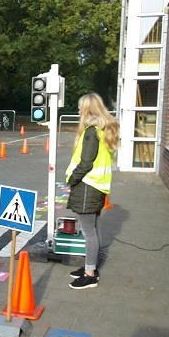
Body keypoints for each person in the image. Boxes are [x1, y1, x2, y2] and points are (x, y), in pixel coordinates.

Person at [65, 93, 119, 290]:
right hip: (98, 186)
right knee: (95, 228)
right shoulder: (103, 129)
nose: (78, 110)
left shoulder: (91, 132)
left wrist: (72, 179)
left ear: (87, 109)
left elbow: (86, 162)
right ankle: (91, 267)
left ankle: (90, 275)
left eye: (81, 107)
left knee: (89, 232)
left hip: (87, 186)